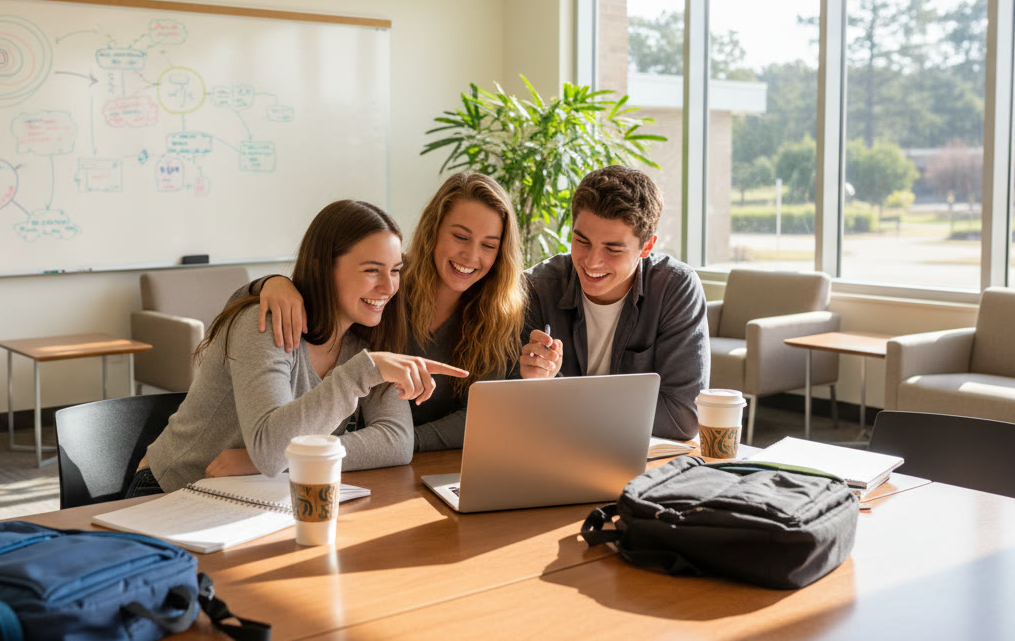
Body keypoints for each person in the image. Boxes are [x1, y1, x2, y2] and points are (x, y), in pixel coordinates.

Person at [129, 200, 468, 496]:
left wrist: (277, 460)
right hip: (171, 491)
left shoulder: (365, 339)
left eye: (395, 271)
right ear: (323, 267)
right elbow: (272, 451)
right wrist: (359, 374)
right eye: (371, 271)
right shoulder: (265, 323)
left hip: (260, 494)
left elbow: (396, 442)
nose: (388, 286)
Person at [253, 172, 526, 451]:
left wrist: (399, 443)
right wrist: (269, 283)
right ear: (433, 230)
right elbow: (312, 288)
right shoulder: (388, 283)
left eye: (489, 246)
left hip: (397, 457)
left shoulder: (498, 316)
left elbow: (478, 418)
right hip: (351, 451)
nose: (471, 256)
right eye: (460, 237)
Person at [518, 165, 708, 441]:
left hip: (641, 461)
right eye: (581, 240)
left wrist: (557, 396)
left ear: (646, 247)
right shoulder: (537, 287)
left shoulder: (675, 288)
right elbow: (514, 406)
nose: (592, 262)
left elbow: (682, 418)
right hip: (552, 448)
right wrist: (532, 386)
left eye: (612, 249)